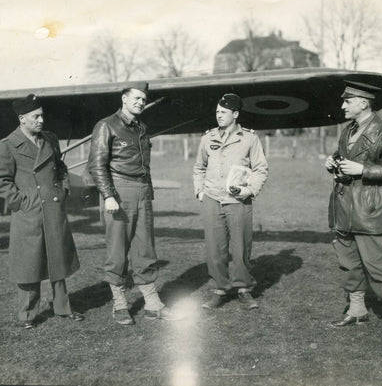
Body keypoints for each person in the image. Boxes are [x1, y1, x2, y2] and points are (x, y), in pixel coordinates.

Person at [325, 81, 382, 343]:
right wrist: (333, 162)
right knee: (348, 263)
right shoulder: (347, 130)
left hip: (369, 209)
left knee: (377, 265)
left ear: (363, 102)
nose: (342, 105)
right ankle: (357, 310)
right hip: (342, 206)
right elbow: (345, 157)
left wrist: (364, 171)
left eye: (347, 101)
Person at [0, 94, 84, 329]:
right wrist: (20, 202)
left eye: (42, 115)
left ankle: (63, 308)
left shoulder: (50, 139)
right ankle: (28, 315)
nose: (42, 120)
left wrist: (62, 189)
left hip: (53, 208)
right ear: (22, 119)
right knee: (28, 264)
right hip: (28, 212)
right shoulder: (7, 145)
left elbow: (60, 168)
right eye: (36, 116)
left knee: (58, 260)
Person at [87, 82, 175, 325]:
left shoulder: (141, 128)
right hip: (118, 191)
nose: (140, 102)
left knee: (145, 249)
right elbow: (96, 165)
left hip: (142, 192)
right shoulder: (106, 125)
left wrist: (147, 193)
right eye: (136, 98)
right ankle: (120, 304)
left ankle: (152, 303)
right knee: (117, 251)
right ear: (124, 99)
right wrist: (108, 195)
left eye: (143, 99)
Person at [193, 93, 268, 310]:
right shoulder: (207, 138)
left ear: (235, 114)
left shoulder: (249, 139)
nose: (219, 116)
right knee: (215, 248)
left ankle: (243, 289)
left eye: (223, 112)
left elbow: (260, 169)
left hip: (238, 201)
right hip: (212, 199)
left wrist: (249, 190)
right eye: (217, 112)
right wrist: (200, 191)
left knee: (241, 246)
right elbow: (199, 167)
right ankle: (219, 289)